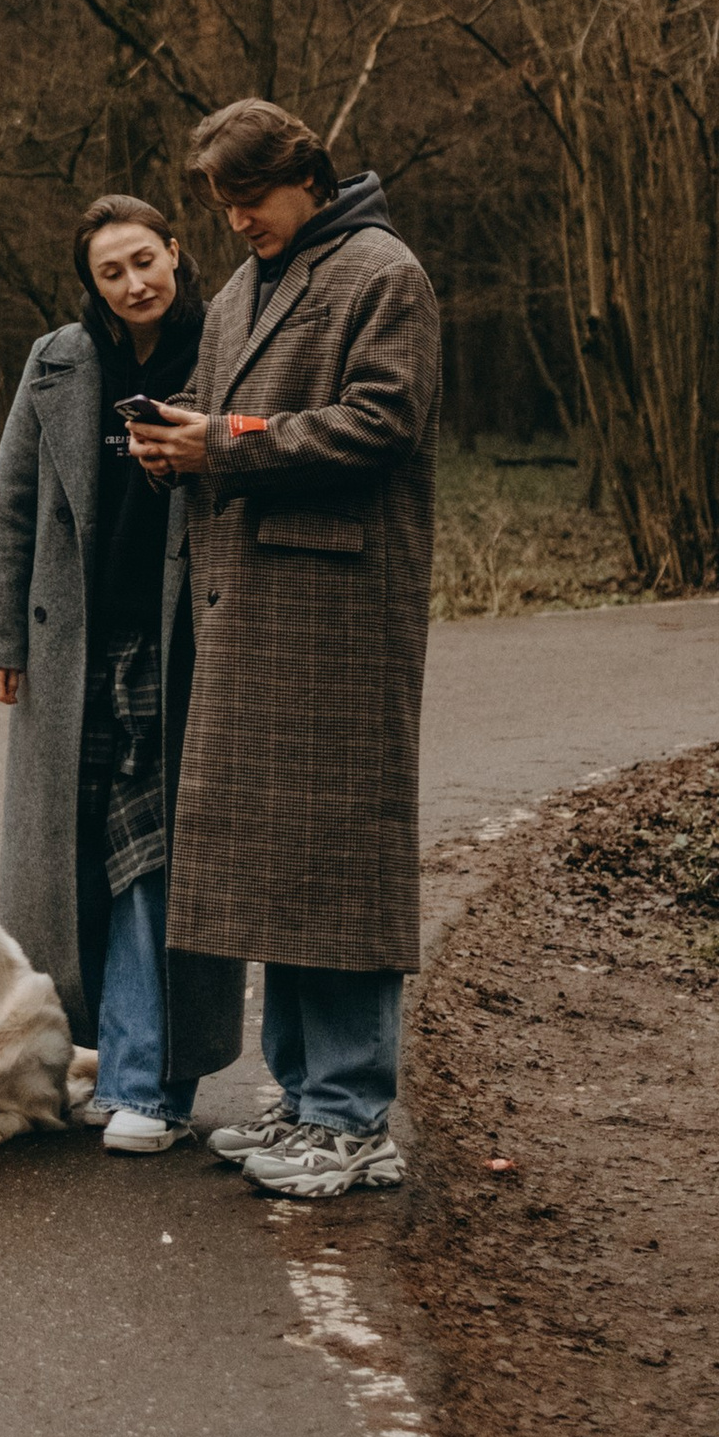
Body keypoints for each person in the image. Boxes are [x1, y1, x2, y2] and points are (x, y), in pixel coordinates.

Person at [126, 100, 441, 1206]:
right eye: (220, 203)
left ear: (302, 176)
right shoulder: (242, 289)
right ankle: (308, 1099)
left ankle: (356, 1117)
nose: (235, 220)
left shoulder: (379, 272)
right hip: (248, 608)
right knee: (275, 859)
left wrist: (226, 443)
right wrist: (178, 443)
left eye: (247, 198)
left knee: (338, 856)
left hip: (341, 612)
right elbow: (221, 422)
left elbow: (381, 421)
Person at [0, 197, 243, 1151]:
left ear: (176, 250)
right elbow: (12, 507)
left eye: (146, 260)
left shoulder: (226, 346)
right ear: (91, 287)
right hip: (75, 648)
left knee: (154, 863)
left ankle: (147, 1084)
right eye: (111, 273)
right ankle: (106, 1056)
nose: (135, 284)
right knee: (82, 858)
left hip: (186, 648)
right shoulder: (58, 360)